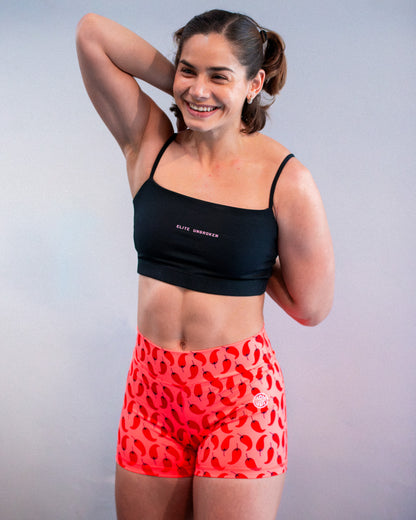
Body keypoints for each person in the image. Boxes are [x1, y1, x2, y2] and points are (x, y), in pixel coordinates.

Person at [76, 8, 334, 520]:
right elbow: (92, 33)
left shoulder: (286, 179)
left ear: (255, 84)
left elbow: (312, 307)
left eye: (220, 76)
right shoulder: (149, 143)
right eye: (188, 70)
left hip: (240, 402)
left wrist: (250, 261)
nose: (199, 89)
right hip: (151, 396)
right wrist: (187, 90)